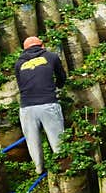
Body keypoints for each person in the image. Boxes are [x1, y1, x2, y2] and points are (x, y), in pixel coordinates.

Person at [14, 36, 67, 176]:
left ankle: (39, 169)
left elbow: (21, 86)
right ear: (42, 46)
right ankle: (62, 169)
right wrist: (56, 87)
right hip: (48, 104)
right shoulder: (51, 56)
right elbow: (62, 77)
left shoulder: (19, 63)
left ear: (24, 50)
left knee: (32, 141)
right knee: (57, 140)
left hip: (26, 107)